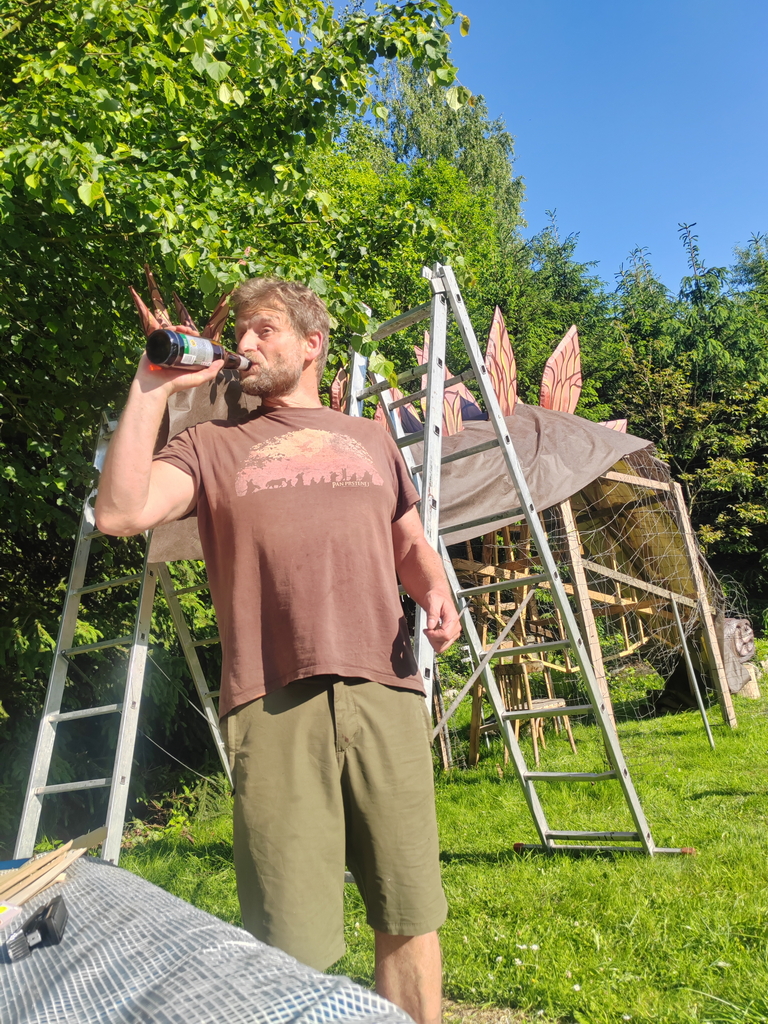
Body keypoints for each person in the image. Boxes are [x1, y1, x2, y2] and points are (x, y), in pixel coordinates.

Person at [95, 277, 461, 1024]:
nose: (246, 343)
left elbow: (409, 543)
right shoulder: (210, 446)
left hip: (384, 686)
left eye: (264, 330)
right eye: (242, 331)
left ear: (312, 344)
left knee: (409, 911)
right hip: (271, 700)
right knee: (289, 939)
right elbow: (120, 512)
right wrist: (151, 386)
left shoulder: (371, 439)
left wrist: (435, 589)